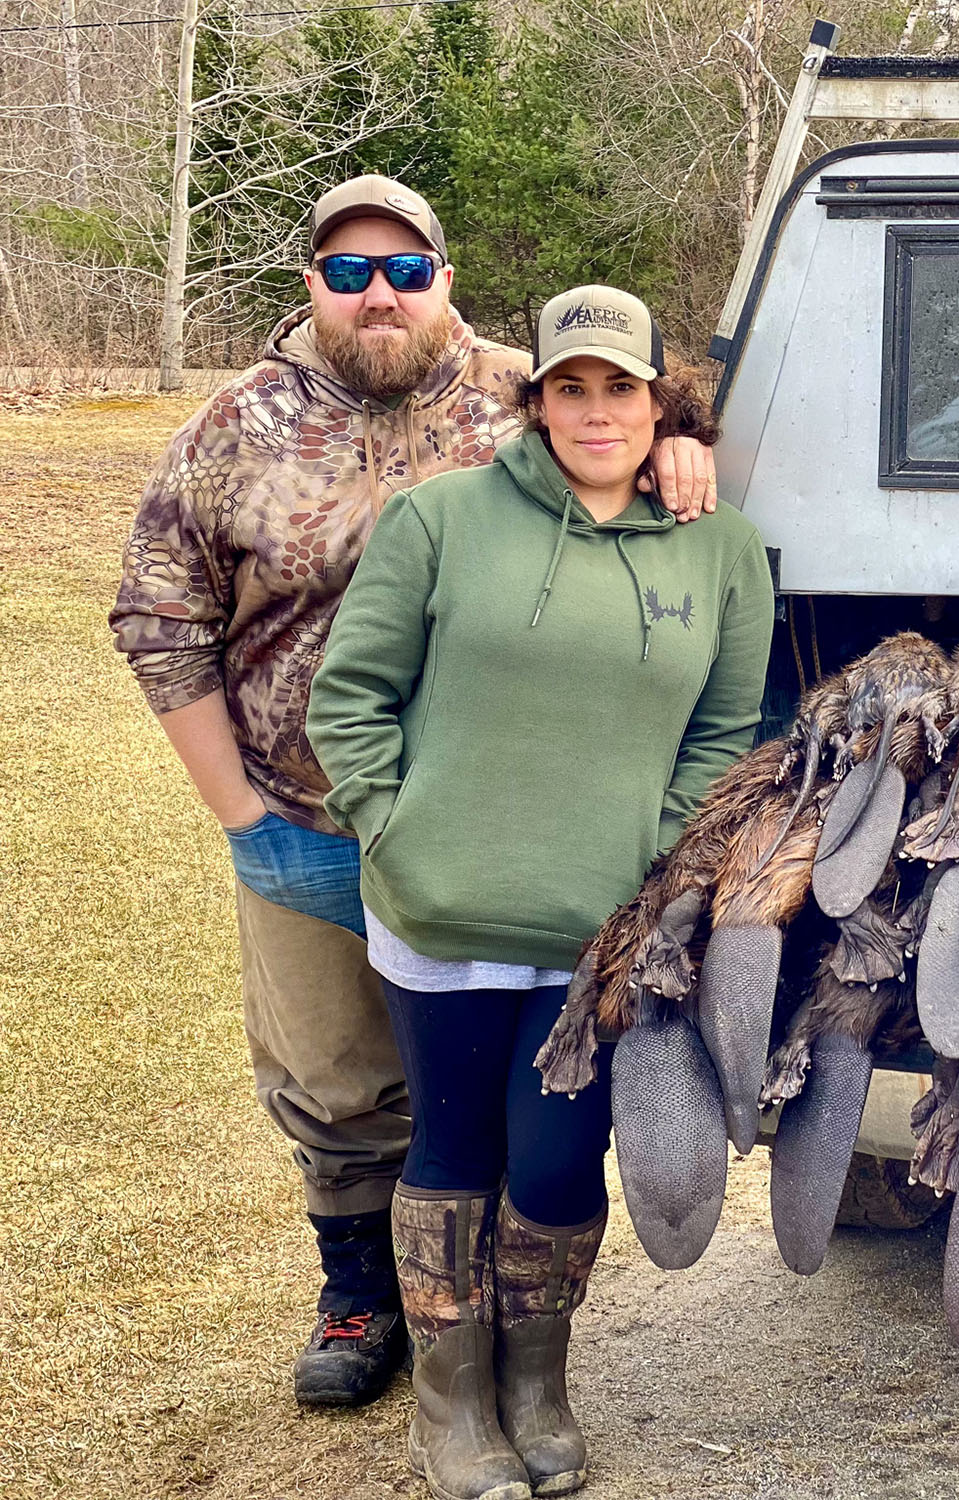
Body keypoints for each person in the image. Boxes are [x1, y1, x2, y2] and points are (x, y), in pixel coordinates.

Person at [108, 175, 721, 1410]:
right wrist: (242, 817)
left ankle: (503, 1340)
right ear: (311, 288)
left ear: (444, 277)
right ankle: (360, 1303)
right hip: (310, 823)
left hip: (504, 829)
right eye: (347, 272)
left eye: (403, 269)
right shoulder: (238, 426)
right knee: (337, 1084)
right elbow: (157, 617)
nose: (376, 293)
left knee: (502, 1092)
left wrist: (687, 440)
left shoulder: (524, 393)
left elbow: (630, 399)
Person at [306, 283, 774, 1500]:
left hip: (599, 930)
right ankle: (451, 1408)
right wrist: (394, 833)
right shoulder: (440, 521)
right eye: (570, 387)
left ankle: (535, 1382)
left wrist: (654, 863)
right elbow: (348, 699)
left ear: (660, 400)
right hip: (442, 909)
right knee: (456, 1146)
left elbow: (725, 731)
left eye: (620, 386)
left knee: (559, 1160)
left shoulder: (720, 548)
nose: (595, 409)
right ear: (538, 400)